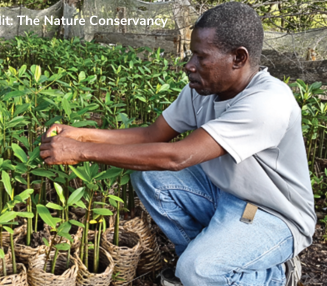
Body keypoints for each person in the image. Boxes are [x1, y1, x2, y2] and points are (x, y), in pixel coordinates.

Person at [39, 2, 316, 285]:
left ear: (238, 58)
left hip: (271, 214)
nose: (189, 65)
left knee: (198, 270)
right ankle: (198, 262)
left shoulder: (268, 103)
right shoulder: (204, 89)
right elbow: (150, 136)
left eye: (200, 56)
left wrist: (82, 151)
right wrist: (81, 134)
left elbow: (177, 157)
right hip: (222, 193)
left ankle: (276, 275)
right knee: (149, 175)